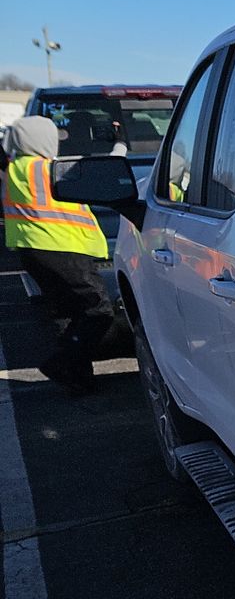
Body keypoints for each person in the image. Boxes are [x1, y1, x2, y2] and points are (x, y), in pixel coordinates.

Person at [2, 115, 113, 393]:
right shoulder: (51, 169)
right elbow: (101, 174)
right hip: (64, 251)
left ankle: (79, 379)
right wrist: (118, 147)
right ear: (43, 140)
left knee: (70, 313)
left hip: (33, 252)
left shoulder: (14, 169)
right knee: (98, 312)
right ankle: (62, 363)